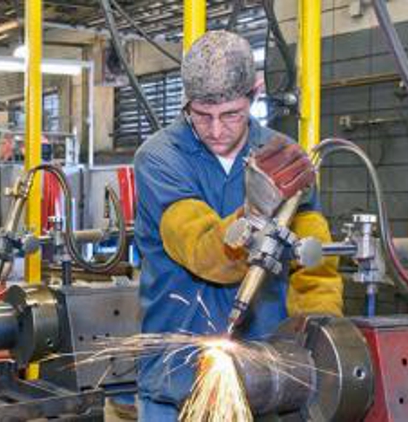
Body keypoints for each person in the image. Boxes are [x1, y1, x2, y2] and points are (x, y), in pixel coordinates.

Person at [134, 30, 342, 421]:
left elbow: (315, 268)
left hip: (271, 382)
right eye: (201, 115)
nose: (215, 130)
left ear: (255, 93)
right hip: (176, 382)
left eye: (230, 114)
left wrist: (317, 333)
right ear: (187, 102)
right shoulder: (160, 158)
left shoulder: (283, 158)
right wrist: (255, 216)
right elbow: (200, 249)